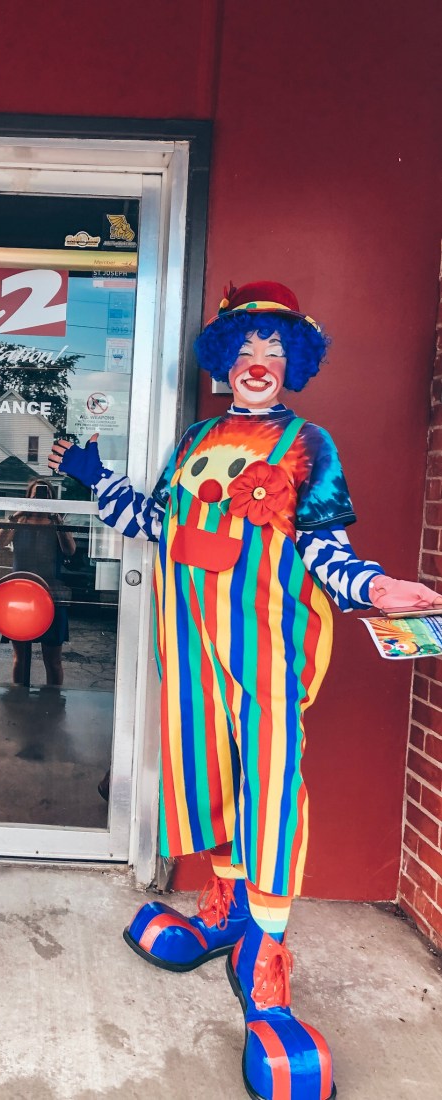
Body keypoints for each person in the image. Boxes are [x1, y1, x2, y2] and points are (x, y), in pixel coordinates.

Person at [49, 281, 441, 1100]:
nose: (257, 363)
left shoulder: (308, 445)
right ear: (224, 360)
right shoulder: (196, 438)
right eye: (245, 348)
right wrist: (96, 478)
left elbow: (325, 550)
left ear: (292, 364)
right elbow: (157, 524)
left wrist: (372, 588)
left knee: (268, 789)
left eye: (273, 350)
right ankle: (225, 908)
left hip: (265, 656)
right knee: (209, 778)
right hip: (189, 653)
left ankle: (265, 958)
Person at [0, 478, 76, 687]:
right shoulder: (19, 522)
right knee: (20, 658)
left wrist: (57, 519)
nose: (40, 497)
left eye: (45, 494)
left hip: (51, 594)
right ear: (28, 497)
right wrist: (18, 514)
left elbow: (70, 550)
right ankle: (18, 696)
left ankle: (54, 698)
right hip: (21, 593)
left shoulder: (56, 523)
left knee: (53, 660)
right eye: (36, 494)